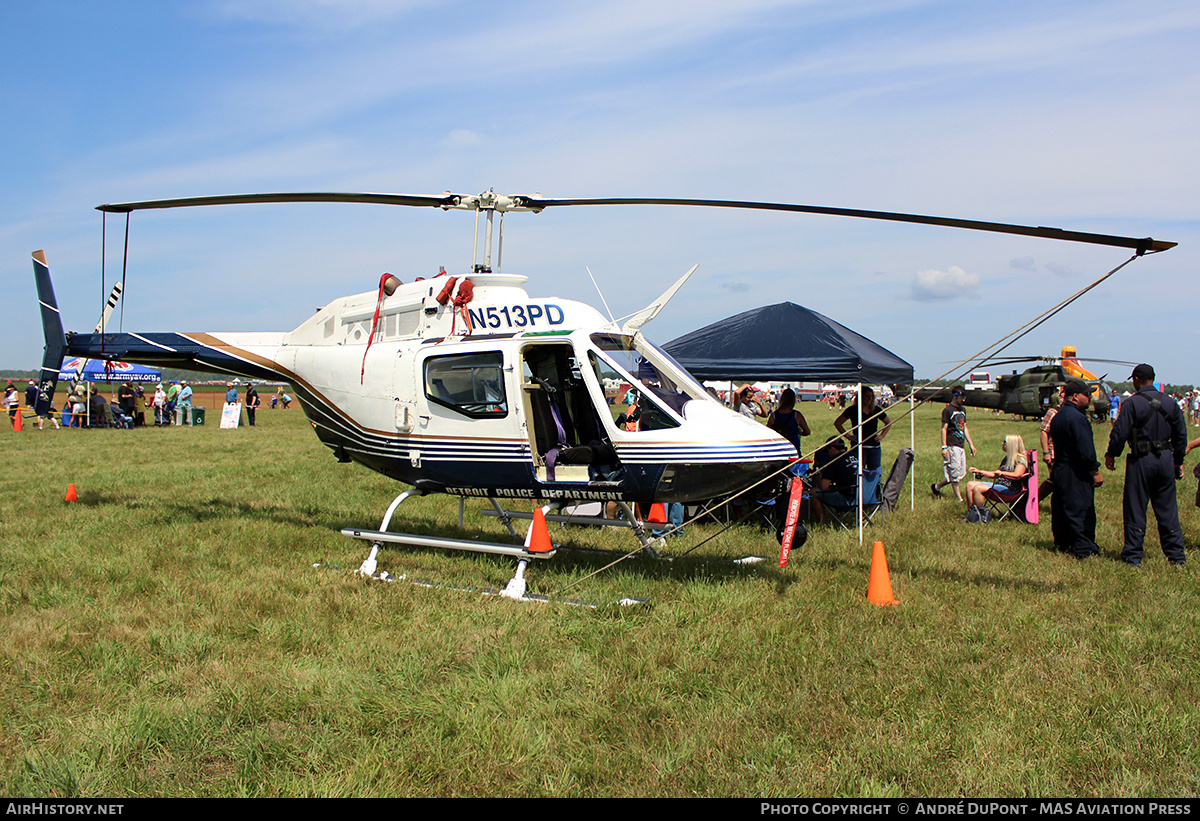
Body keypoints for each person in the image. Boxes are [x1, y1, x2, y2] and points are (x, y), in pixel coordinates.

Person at [1104, 364, 1187, 567]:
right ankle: (1176, 558)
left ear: (1136, 380)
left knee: (1135, 508)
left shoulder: (1132, 404)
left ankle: (1133, 557)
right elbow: (1181, 435)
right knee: (1168, 510)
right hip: (1166, 458)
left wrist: (1112, 454)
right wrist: (1178, 462)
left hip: (1141, 459)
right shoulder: (1170, 403)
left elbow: (1120, 432)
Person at [1050, 379, 1104, 559]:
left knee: (1061, 506)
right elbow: (1085, 449)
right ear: (1075, 397)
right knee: (1080, 508)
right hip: (1076, 471)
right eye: (1087, 395)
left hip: (1060, 468)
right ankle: (1083, 547)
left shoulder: (1058, 416)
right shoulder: (1078, 419)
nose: (1089, 398)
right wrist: (1095, 471)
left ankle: (1063, 543)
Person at [965, 434, 1029, 519]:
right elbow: (996, 474)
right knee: (970, 484)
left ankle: (979, 516)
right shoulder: (1007, 458)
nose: (1002, 443)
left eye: (1005, 442)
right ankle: (971, 514)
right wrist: (980, 471)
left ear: (1011, 445)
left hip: (1010, 490)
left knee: (978, 488)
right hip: (1000, 486)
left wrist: (1003, 473)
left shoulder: (1020, 460)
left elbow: (1018, 474)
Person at [932, 386, 976, 502]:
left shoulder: (963, 410)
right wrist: (944, 447)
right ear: (955, 397)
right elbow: (944, 429)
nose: (963, 400)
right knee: (955, 472)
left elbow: (964, 428)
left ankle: (937, 487)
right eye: (961, 398)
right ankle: (959, 499)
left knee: (961, 473)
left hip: (961, 445)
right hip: (952, 444)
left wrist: (971, 444)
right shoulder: (948, 410)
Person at [835, 386, 891, 470]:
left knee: (874, 473)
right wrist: (849, 437)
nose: (870, 398)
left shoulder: (876, 410)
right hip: (858, 447)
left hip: (874, 447)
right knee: (858, 472)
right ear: (861, 397)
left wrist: (882, 436)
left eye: (871, 396)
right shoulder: (852, 410)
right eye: (867, 396)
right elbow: (838, 423)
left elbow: (888, 422)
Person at [809, 435, 859, 524]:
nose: (828, 454)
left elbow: (824, 487)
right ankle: (840, 516)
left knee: (814, 492)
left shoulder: (834, 461)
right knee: (842, 488)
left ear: (832, 448)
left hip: (848, 501)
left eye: (828, 451)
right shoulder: (855, 456)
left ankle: (822, 523)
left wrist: (818, 479)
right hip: (865, 498)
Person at [766, 388, 811, 456]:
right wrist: (800, 432)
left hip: (778, 448)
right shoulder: (797, 415)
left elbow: (767, 431)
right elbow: (807, 432)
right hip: (793, 448)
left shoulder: (774, 415)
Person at [1038, 391, 1062, 500]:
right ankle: (1031, 502)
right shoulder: (1053, 412)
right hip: (1054, 453)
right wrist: (1046, 452)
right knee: (1055, 480)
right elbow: (1044, 432)